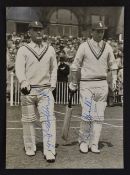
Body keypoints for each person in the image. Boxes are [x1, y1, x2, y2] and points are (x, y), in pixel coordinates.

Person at [69, 21, 118, 154]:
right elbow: (75, 65)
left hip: (102, 84)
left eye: (102, 31)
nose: (100, 33)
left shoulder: (107, 47)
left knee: (99, 116)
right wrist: (73, 82)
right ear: (92, 32)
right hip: (87, 84)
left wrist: (114, 79)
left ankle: (94, 143)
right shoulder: (84, 46)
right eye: (97, 31)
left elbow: (113, 65)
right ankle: (84, 141)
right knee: (87, 114)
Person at [15, 21, 58, 162]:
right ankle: (30, 146)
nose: (39, 32)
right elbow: (19, 69)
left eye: (40, 29)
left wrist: (52, 84)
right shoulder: (23, 49)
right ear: (29, 33)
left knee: (48, 120)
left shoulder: (50, 49)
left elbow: (54, 68)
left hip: (45, 90)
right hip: (28, 90)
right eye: (35, 29)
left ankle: (50, 150)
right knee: (28, 121)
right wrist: (23, 81)